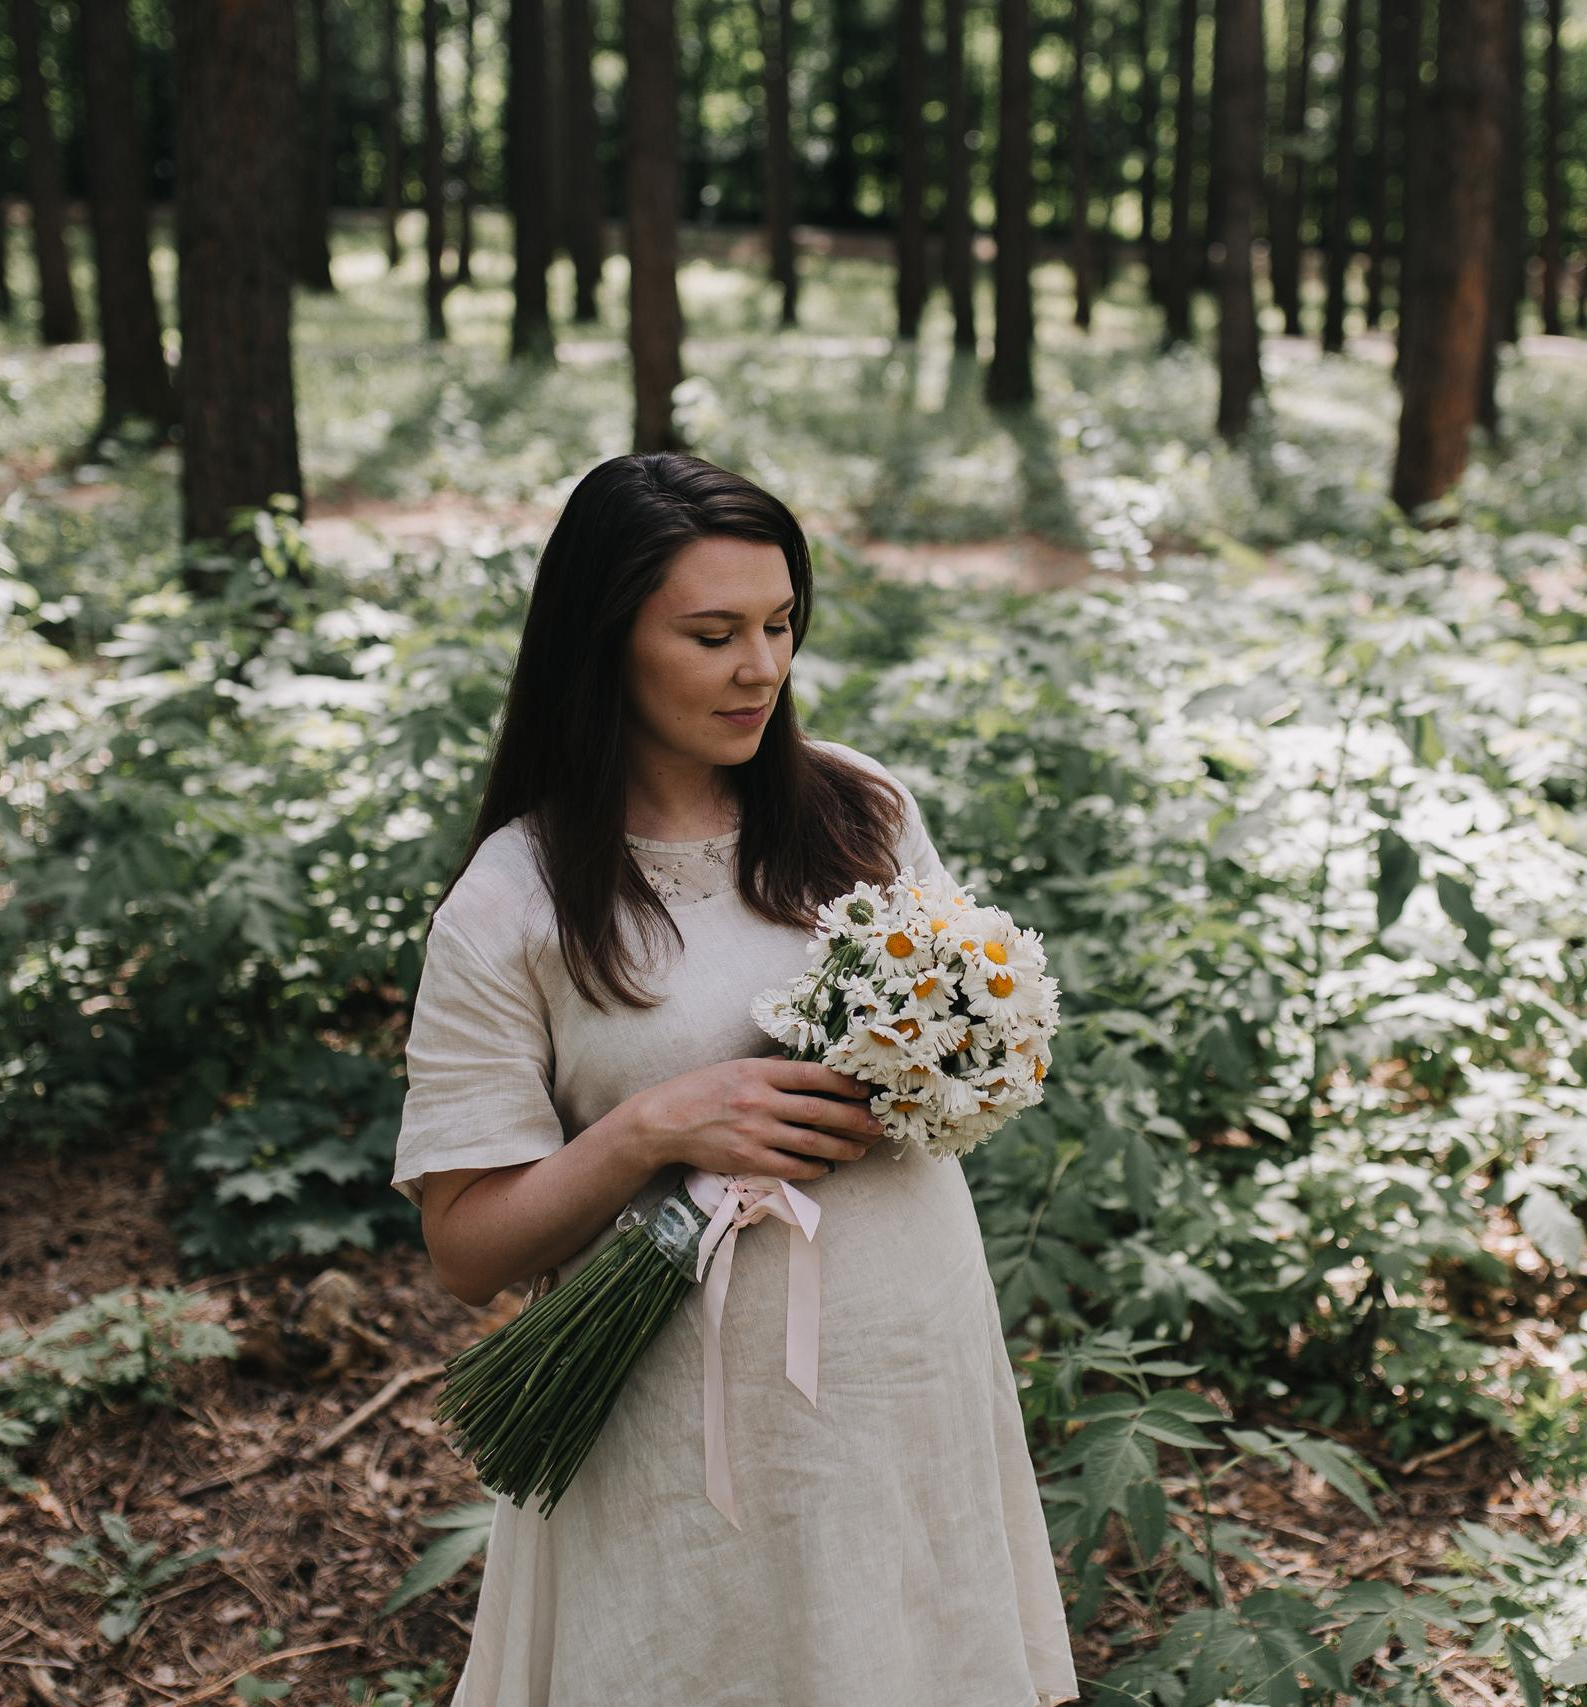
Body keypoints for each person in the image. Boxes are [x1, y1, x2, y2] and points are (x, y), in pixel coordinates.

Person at [391, 451, 1079, 1705]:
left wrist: (949, 1061)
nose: (760, 667)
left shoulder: (859, 811)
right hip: (676, 1423)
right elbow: (465, 1251)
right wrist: (651, 1129)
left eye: (778, 625)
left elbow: (964, 1054)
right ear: (603, 646)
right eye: (711, 634)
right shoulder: (513, 902)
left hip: (900, 1363)